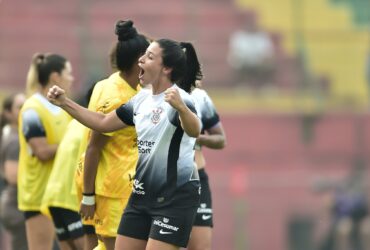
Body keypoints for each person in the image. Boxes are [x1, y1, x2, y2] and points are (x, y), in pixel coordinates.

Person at [47, 38, 202, 250]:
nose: (140, 60)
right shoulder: (140, 100)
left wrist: (182, 109)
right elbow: (102, 122)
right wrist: (64, 102)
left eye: (149, 56)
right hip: (140, 197)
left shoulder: (179, 100)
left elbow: (194, 129)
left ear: (166, 68)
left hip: (173, 201)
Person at [75, 19, 149, 250]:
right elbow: (94, 146)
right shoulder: (116, 97)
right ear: (138, 63)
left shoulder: (116, 84)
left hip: (124, 188)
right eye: (147, 57)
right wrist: (89, 196)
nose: (150, 62)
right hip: (113, 191)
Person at [18, 53, 73, 250]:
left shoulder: (66, 107)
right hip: (39, 194)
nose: (71, 78)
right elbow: (41, 151)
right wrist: (70, 147)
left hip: (62, 194)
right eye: (68, 73)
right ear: (55, 77)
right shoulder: (32, 109)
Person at [187, 84, 226, 250]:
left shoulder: (200, 97)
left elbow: (221, 139)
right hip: (161, 181)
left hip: (196, 179)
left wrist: (197, 138)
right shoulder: (150, 95)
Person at [0, 93, 28, 250]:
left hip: (10, 205)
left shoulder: (7, 133)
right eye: (20, 107)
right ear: (8, 113)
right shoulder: (14, 140)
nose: (24, 110)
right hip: (16, 208)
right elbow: (13, 177)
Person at [228, 11, 275, 88]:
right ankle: (242, 86)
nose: (250, 25)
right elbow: (235, 54)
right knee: (236, 62)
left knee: (269, 63)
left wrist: (263, 59)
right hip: (244, 63)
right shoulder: (238, 36)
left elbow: (268, 53)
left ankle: (266, 86)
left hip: (259, 62)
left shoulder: (262, 36)